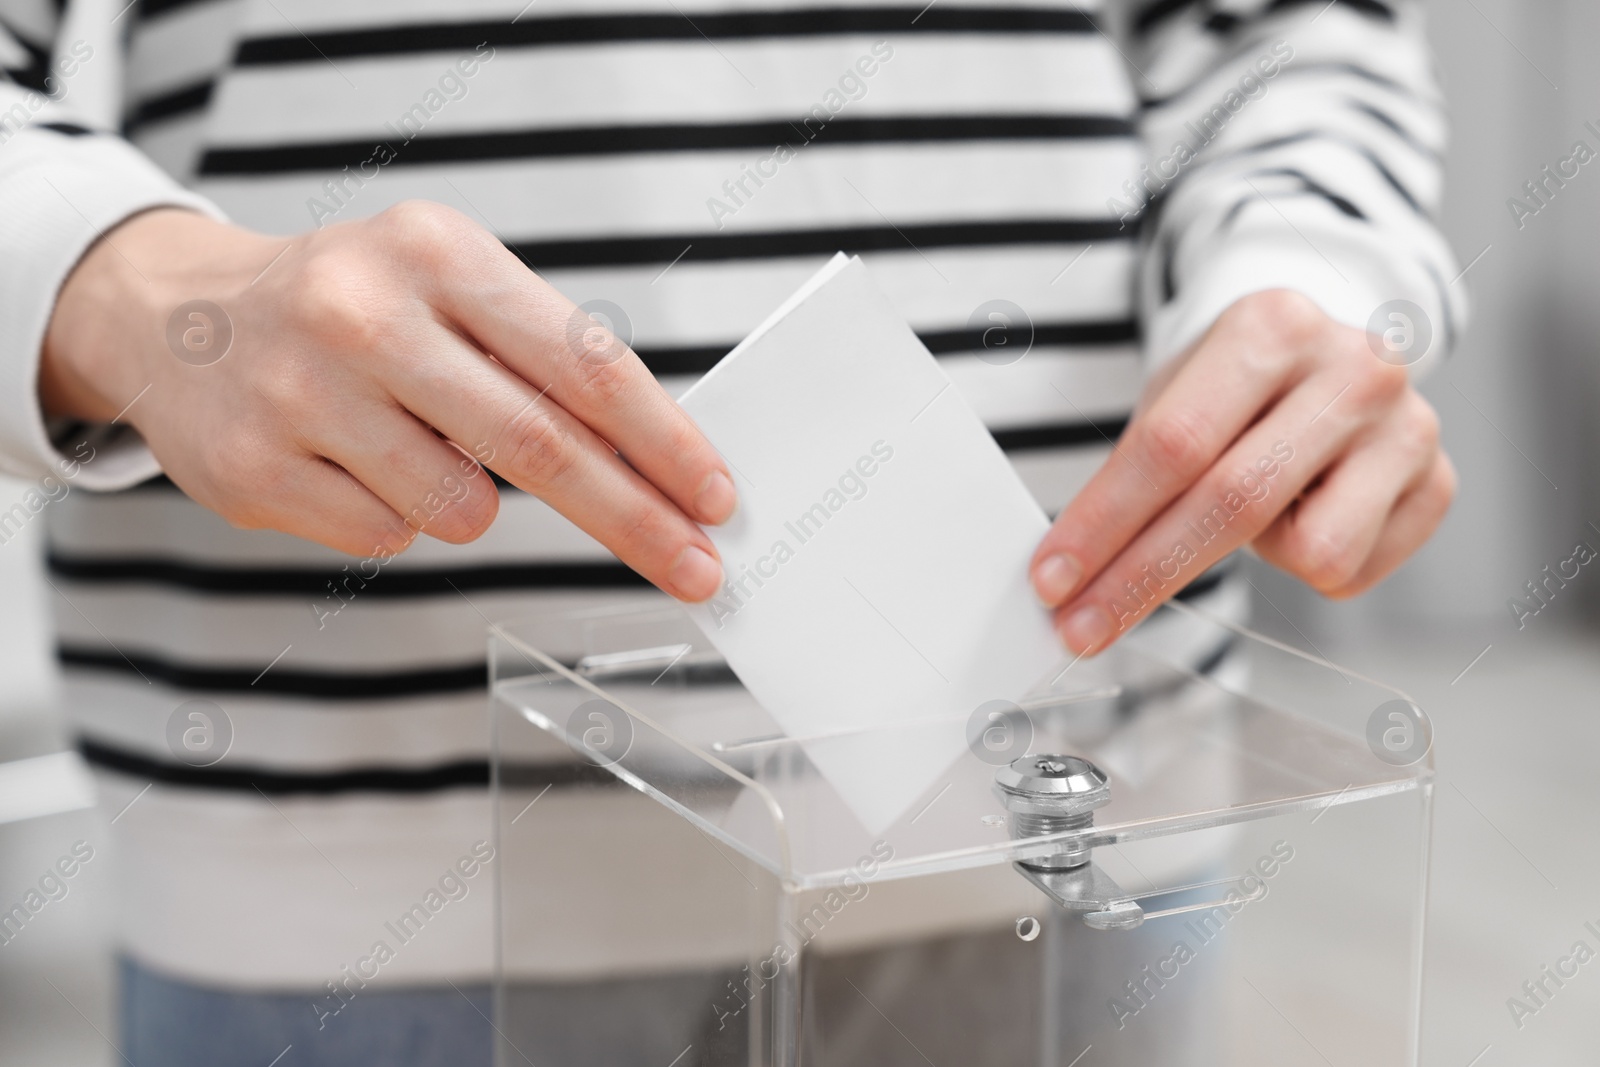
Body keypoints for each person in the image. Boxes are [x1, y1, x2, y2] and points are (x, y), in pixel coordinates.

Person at [2, 0, 1456, 1063]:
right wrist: (138, 297)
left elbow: (1284, 28)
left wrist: (1307, 272)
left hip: (1080, 828)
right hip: (361, 888)